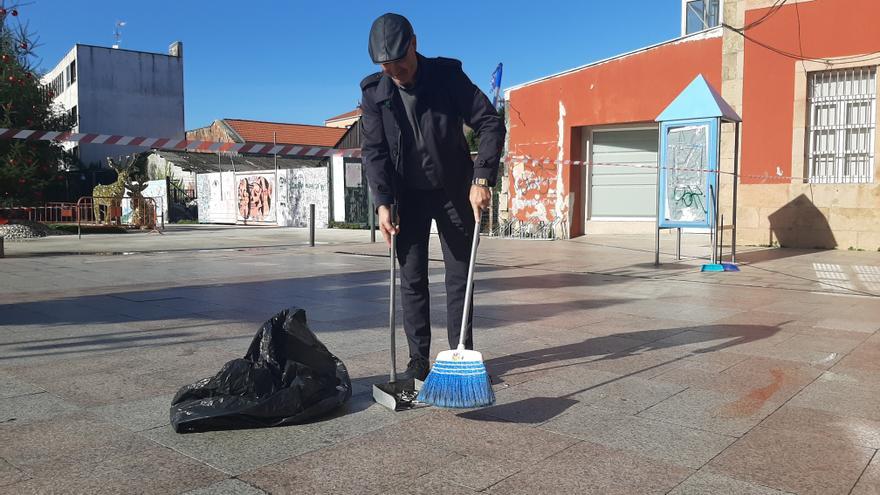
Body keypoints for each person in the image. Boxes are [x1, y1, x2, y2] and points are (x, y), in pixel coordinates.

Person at [360, 13, 505, 381]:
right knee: (412, 278)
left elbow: (489, 121)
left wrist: (482, 177)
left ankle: (460, 353)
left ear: (414, 43)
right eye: (388, 67)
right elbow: (374, 151)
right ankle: (418, 360)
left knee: (460, 276)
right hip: (405, 196)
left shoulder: (447, 76)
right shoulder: (375, 93)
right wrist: (381, 202)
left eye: (401, 63)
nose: (397, 72)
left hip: (453, 190)